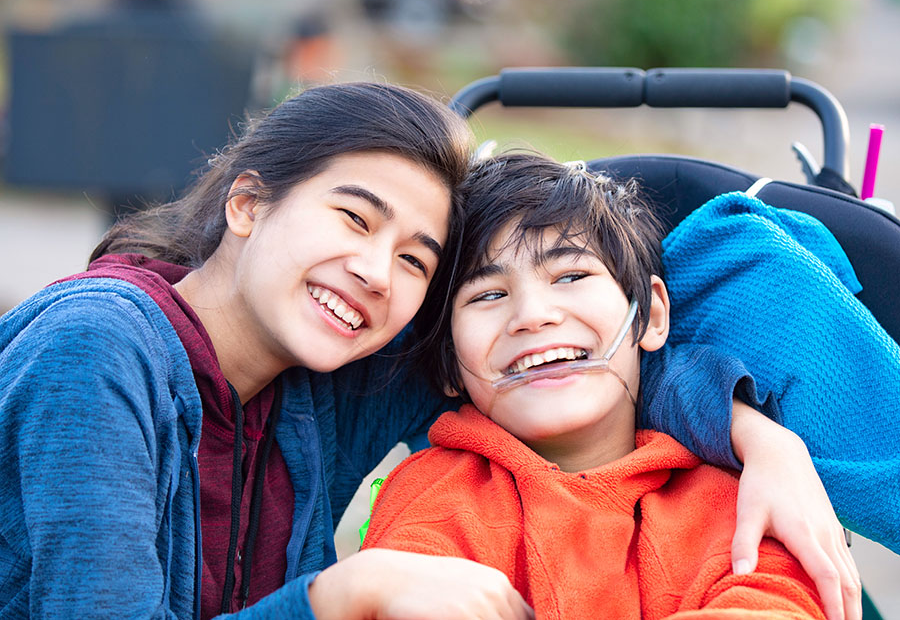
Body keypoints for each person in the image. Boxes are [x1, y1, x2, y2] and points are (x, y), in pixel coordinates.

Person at [0, 85, 857, 620]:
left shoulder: (326, 378)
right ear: (247, 204)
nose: (376, 272)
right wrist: (339, 595)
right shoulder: (98, 351)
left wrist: (757, 434)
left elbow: (570, 367)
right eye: (353, 217)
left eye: (415, 257)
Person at [362, 151, 863, 618]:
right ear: (449, 365)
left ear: (651, 316)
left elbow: (776, 600)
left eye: (571, 275)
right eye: (489, 293)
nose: (533, 316)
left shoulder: (740, 499)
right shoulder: (434, 494)